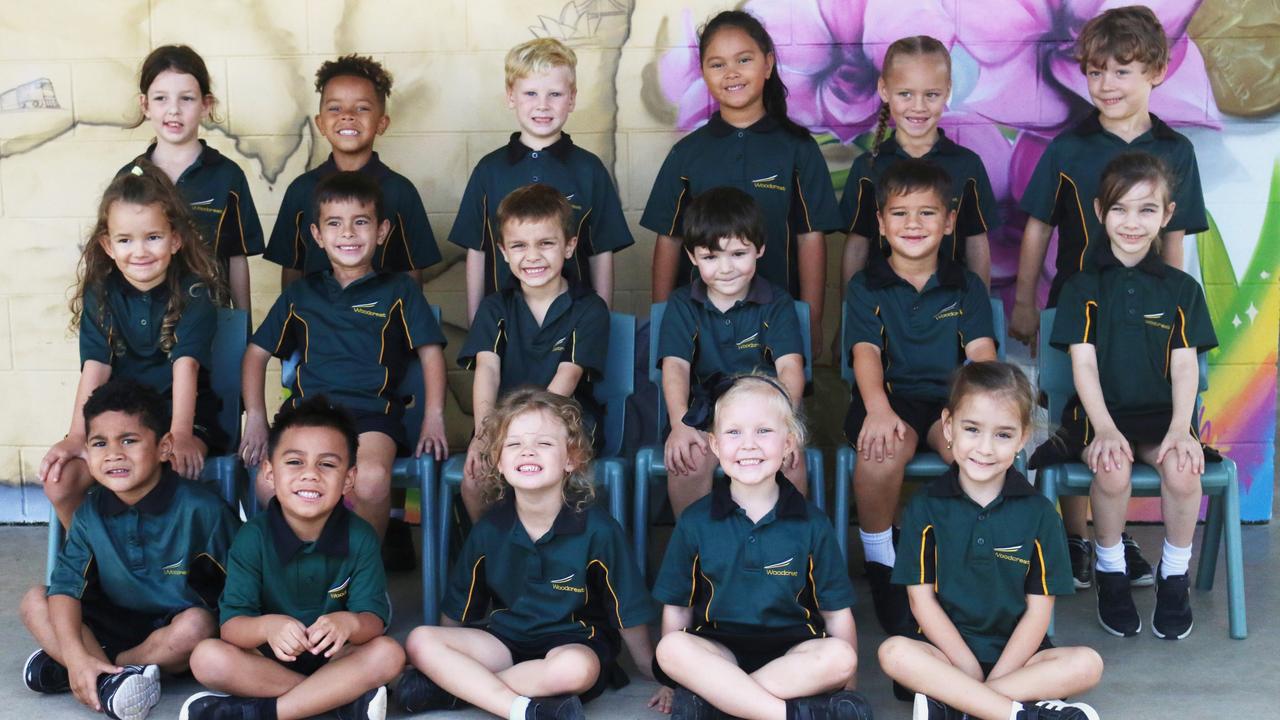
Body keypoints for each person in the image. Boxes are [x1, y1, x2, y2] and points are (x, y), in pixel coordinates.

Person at [1009, 5, 1208, 590]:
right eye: (1096, 72)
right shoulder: (1070, 149)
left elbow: (1175, 242)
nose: (1106, 85)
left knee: (1129, 419)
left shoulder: (1176, 151)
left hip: (1147, 318)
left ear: (1156, 72)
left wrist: (1173, 312)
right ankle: (1079, 539)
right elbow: (1038, 228)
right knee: (1077, 421)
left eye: (1122, 71)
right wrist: (1025, 300)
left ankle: (1112, 542)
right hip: (1076, 310)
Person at [1030, 152, 1217, 640]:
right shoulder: (1082, 286)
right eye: (1120, 209)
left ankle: (1174, 575)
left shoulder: (1181, 289)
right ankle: (1111, 571)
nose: (1132, 223)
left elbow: (1184, 367)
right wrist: (1106, 428)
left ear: (1167, 215)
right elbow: (1083, 365)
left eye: (1146, 210)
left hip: (1163, 415)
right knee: (1111, 468)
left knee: (1182, 466)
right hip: (1101, 415)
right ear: (1099, 211)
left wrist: (1181, 429)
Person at [397, 389, 657, 720]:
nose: (528, 452)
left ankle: (458, 691)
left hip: (572, 643)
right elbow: (458, 610)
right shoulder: (489, 530)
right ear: (500, 462)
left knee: (574, 670)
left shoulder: (599, 530)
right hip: (505, 643)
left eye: (544, 444)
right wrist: (440, 653)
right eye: (514, 444)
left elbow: (628, 611)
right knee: (420, 640)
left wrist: (652, 671)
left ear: (570, 459)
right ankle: (520, 707)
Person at [879, 362, 1104, 720]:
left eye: (1003, 434)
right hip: (943, 655)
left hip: (1019, 658)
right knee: (893, 653)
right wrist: (967, 668)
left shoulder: (1041, 514)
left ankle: (960, 706)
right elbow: (921, 603)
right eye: (972, 429)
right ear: (948, 426)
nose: (985, 447)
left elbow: (1038, 613)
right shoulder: (924, 507)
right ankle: (1019, 713)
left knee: (1088, 664)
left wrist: (994, 678)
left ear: (1023, 436)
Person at [240, 171, 448, 541]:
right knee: (268, 484)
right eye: (335, 223)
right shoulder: (300, 294)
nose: (348, 233)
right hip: (308, 415)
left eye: (360, 222)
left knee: (368, 482)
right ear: (318, 236)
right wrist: (255, 417)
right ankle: (308, 577)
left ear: (382, 232)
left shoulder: (399, 289)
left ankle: (364, 582)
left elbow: (431, 354)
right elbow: (256, 354)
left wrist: (433, 416)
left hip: (372, 416)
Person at [649, 375, 872, 720]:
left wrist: (849, 685)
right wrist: (671, 681)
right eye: (734, 433)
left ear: (789, 443)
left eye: (764, 431)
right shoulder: (695, 521)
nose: (748, 444)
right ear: (714, 445)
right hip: (719, 648)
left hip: (793, 652)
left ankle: (722, 704)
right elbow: (677, 608)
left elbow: (836, 614)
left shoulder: (812, 523)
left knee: (840, 657)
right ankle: (787, 714)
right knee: (671, 649)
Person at [20, 380, 238, 720]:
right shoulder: (90, 512)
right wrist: (77, 655)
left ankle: (101, 672)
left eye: (129, 440)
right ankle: (93, 670)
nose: (113, 454)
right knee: (35, 601)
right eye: (99, 443)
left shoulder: (201, 510)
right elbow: (65, 587)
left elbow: (242, 586)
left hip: (170, 629)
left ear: (164, 447)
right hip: (111, 618)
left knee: (197, 626)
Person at [843, 159, 997, 636]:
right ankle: (882, 561)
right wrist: (878, 409)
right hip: (886, 400)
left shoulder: (965, 285)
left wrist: (975, 417)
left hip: (949, 404)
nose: (914, 224)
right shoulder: (867, 284)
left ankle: (967, 561)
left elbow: (981, 356)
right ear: (881, 224)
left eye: (928, 213)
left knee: (974, 453)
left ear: (950, 222)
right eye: (901, 213)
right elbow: (865, 353)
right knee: (883, 449)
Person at [181, 397, 405, 720]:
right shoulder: (252, 537)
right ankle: (336, 701)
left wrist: (350, 622)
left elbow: (373, 621)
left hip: (335, 657)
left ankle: (264, 712)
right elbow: (232, 627)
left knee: (389, 654)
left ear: (349, 478)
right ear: (270, 473)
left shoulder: (361, 537)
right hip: (268, 660)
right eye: (295, 462)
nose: (310, 475)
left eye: (327, 464)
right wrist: (267, 627)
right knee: (206, 657)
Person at [642, 9, 841, 359]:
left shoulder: (798, 149)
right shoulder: (687, 154)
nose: (731, 73)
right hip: (700, 327)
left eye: (743, 60)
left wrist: (810, 320)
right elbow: (668, 238)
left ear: (768, 64)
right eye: (717, 64)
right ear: (703, 73)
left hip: (778, 329)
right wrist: (662, 320)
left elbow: (810, 237)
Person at [40, 161, 226, 529]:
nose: (139, 251)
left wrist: (182, 433)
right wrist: (78, 435)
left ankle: (160, 570)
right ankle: (93, 563)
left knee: (168, 474)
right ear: (108, 245)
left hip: (181, 413)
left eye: (153, 237)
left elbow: (185, 366)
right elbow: (96, 367)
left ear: (175, 239)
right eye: (125, 240)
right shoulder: (101, 292)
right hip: (117, 416)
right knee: (60, 481)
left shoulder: (194, 290)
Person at [457, 183, 610, 521]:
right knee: (474, 479)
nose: (533, 256)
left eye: (546, 243)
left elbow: (567, 378)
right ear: (504, 251)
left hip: (565, 420)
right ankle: (493, 556)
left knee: (550, 471)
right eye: (519, 245)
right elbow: (487, 371)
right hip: (500, 424)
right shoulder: (495, 307)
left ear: (569, 246)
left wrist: (525, 436)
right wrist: (485, 435)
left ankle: (553, 557)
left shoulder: (588, 308)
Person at [452, 37, 632, 321]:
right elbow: (477, 252)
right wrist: (476, 323)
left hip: (574, 325)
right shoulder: (489, 170)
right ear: (511, 96)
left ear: (572, 98)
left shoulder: (589, 169)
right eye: (531, 93)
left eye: (555, 94)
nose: (543, 105)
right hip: (502, 326)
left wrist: (600, 321)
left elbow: (601, 254)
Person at [657, 186, 807, 514]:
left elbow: (790, 369)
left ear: (760, 249)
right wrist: (680, 423)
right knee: (689, 460)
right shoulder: (683, 303)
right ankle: (694, 550)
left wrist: (787, 423)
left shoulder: (776, 302)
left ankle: (786, 548)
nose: (726, 268)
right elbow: (676, 368)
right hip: (704, 412)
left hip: (764, 411)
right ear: (693, 257)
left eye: (738, 254)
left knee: (790, 460)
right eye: (711, 257)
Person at [263, 54, 440, 287]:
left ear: (382, 123)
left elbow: (411, 272)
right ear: (320, 123)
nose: (347, 115)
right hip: (317, 321)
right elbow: (293, 269)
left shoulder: (400, 191)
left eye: (362, 108)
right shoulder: (301, 190)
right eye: (335, 108)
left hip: (381, 320)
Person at [839, 35, 998, 287]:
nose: (919, 106)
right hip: (883, 311)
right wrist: (849, 314)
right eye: (905, 94)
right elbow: (857, 246)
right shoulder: (867, 168)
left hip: (950, 308)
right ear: (884, 90)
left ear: (947, 91)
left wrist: (981, 311)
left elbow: (976, 244)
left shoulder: (967, 166)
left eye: (931, 94)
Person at [121, 44, 263, 312]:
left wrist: (243, 326)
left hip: (211, 321)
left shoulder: (227, 175)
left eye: (186, 98)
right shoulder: (130, 178)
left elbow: (236, 258)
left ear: (205, 105)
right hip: (145, 323)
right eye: (161, 98)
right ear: (145, 105)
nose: (173, 110)